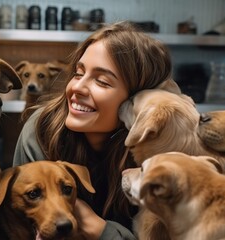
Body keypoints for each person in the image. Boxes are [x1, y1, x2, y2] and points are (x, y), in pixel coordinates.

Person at [12, 21, 177, 239]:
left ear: (137, 100)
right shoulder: (41, 129)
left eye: (102, 81)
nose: (76, 87)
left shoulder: (161, 153)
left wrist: (102, 231)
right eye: (79, 74)